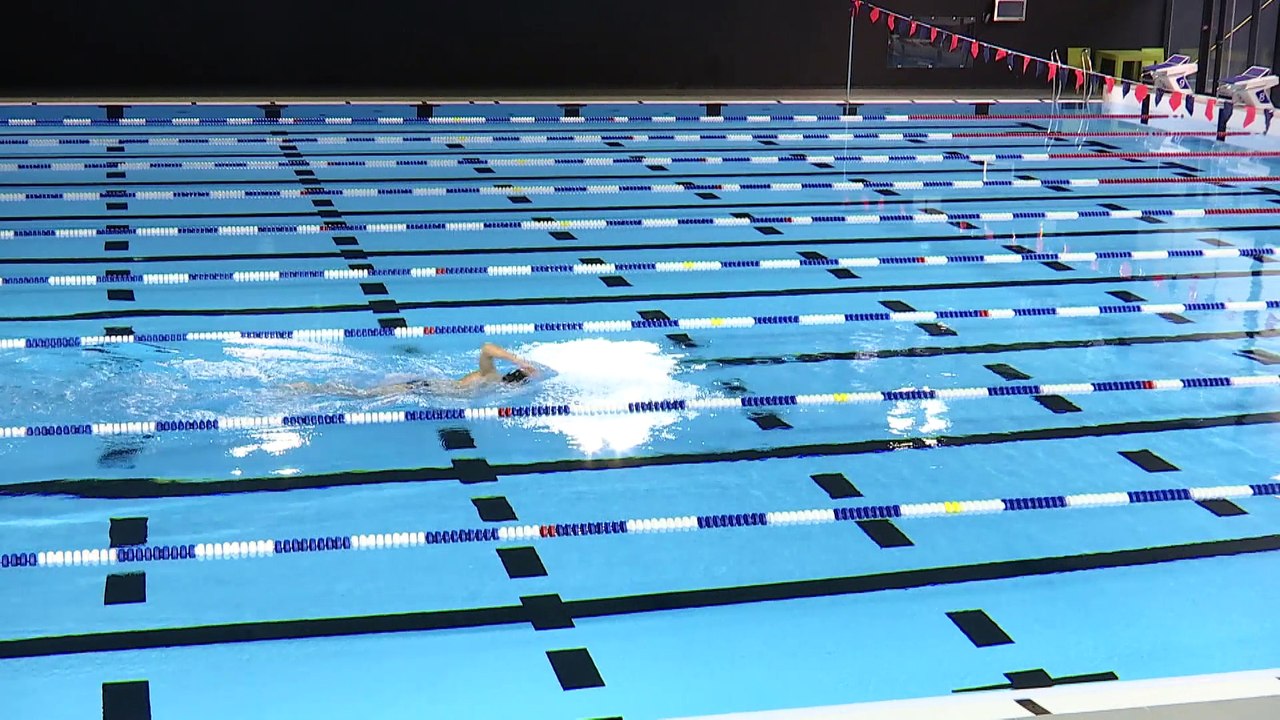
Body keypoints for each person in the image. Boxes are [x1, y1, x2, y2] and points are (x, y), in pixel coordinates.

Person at [286, 342, 538, 398]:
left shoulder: (494, 383)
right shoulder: (492, 378)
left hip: (425, 386)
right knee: (359, 396)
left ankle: (312, 389)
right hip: (422, 388)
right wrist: (517, 360)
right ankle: (308, 388)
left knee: (360, 394)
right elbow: (486, 347)